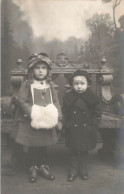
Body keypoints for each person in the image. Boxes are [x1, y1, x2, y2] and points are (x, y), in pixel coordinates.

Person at [15, 53, 62, 183]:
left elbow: (56, 102)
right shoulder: (27, 84)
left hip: (47, 120)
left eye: (43, 68)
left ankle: (43, 166)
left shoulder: (49, 84)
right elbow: (22, 101)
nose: (41, 71)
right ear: (31, 70)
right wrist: (33, 113)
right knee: (33, 146)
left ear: (48, 70)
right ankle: (33, 167)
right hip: (31, 120)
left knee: (43, 145)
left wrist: (59, 118)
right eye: (37, 68)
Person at [62, 70, 101, 182]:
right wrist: (66, 124)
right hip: (73, 128)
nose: (79, 86)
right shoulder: (68, 97)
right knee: (74, 150)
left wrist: (93, 125)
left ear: (88, 84)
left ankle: (83, 169)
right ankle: (73, 170)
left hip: (87, 128)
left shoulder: (92, 97)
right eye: (76, 84)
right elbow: (64, 112)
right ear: (71, 85)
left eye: (82, 84)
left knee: (84, 150)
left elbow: (97, 113)